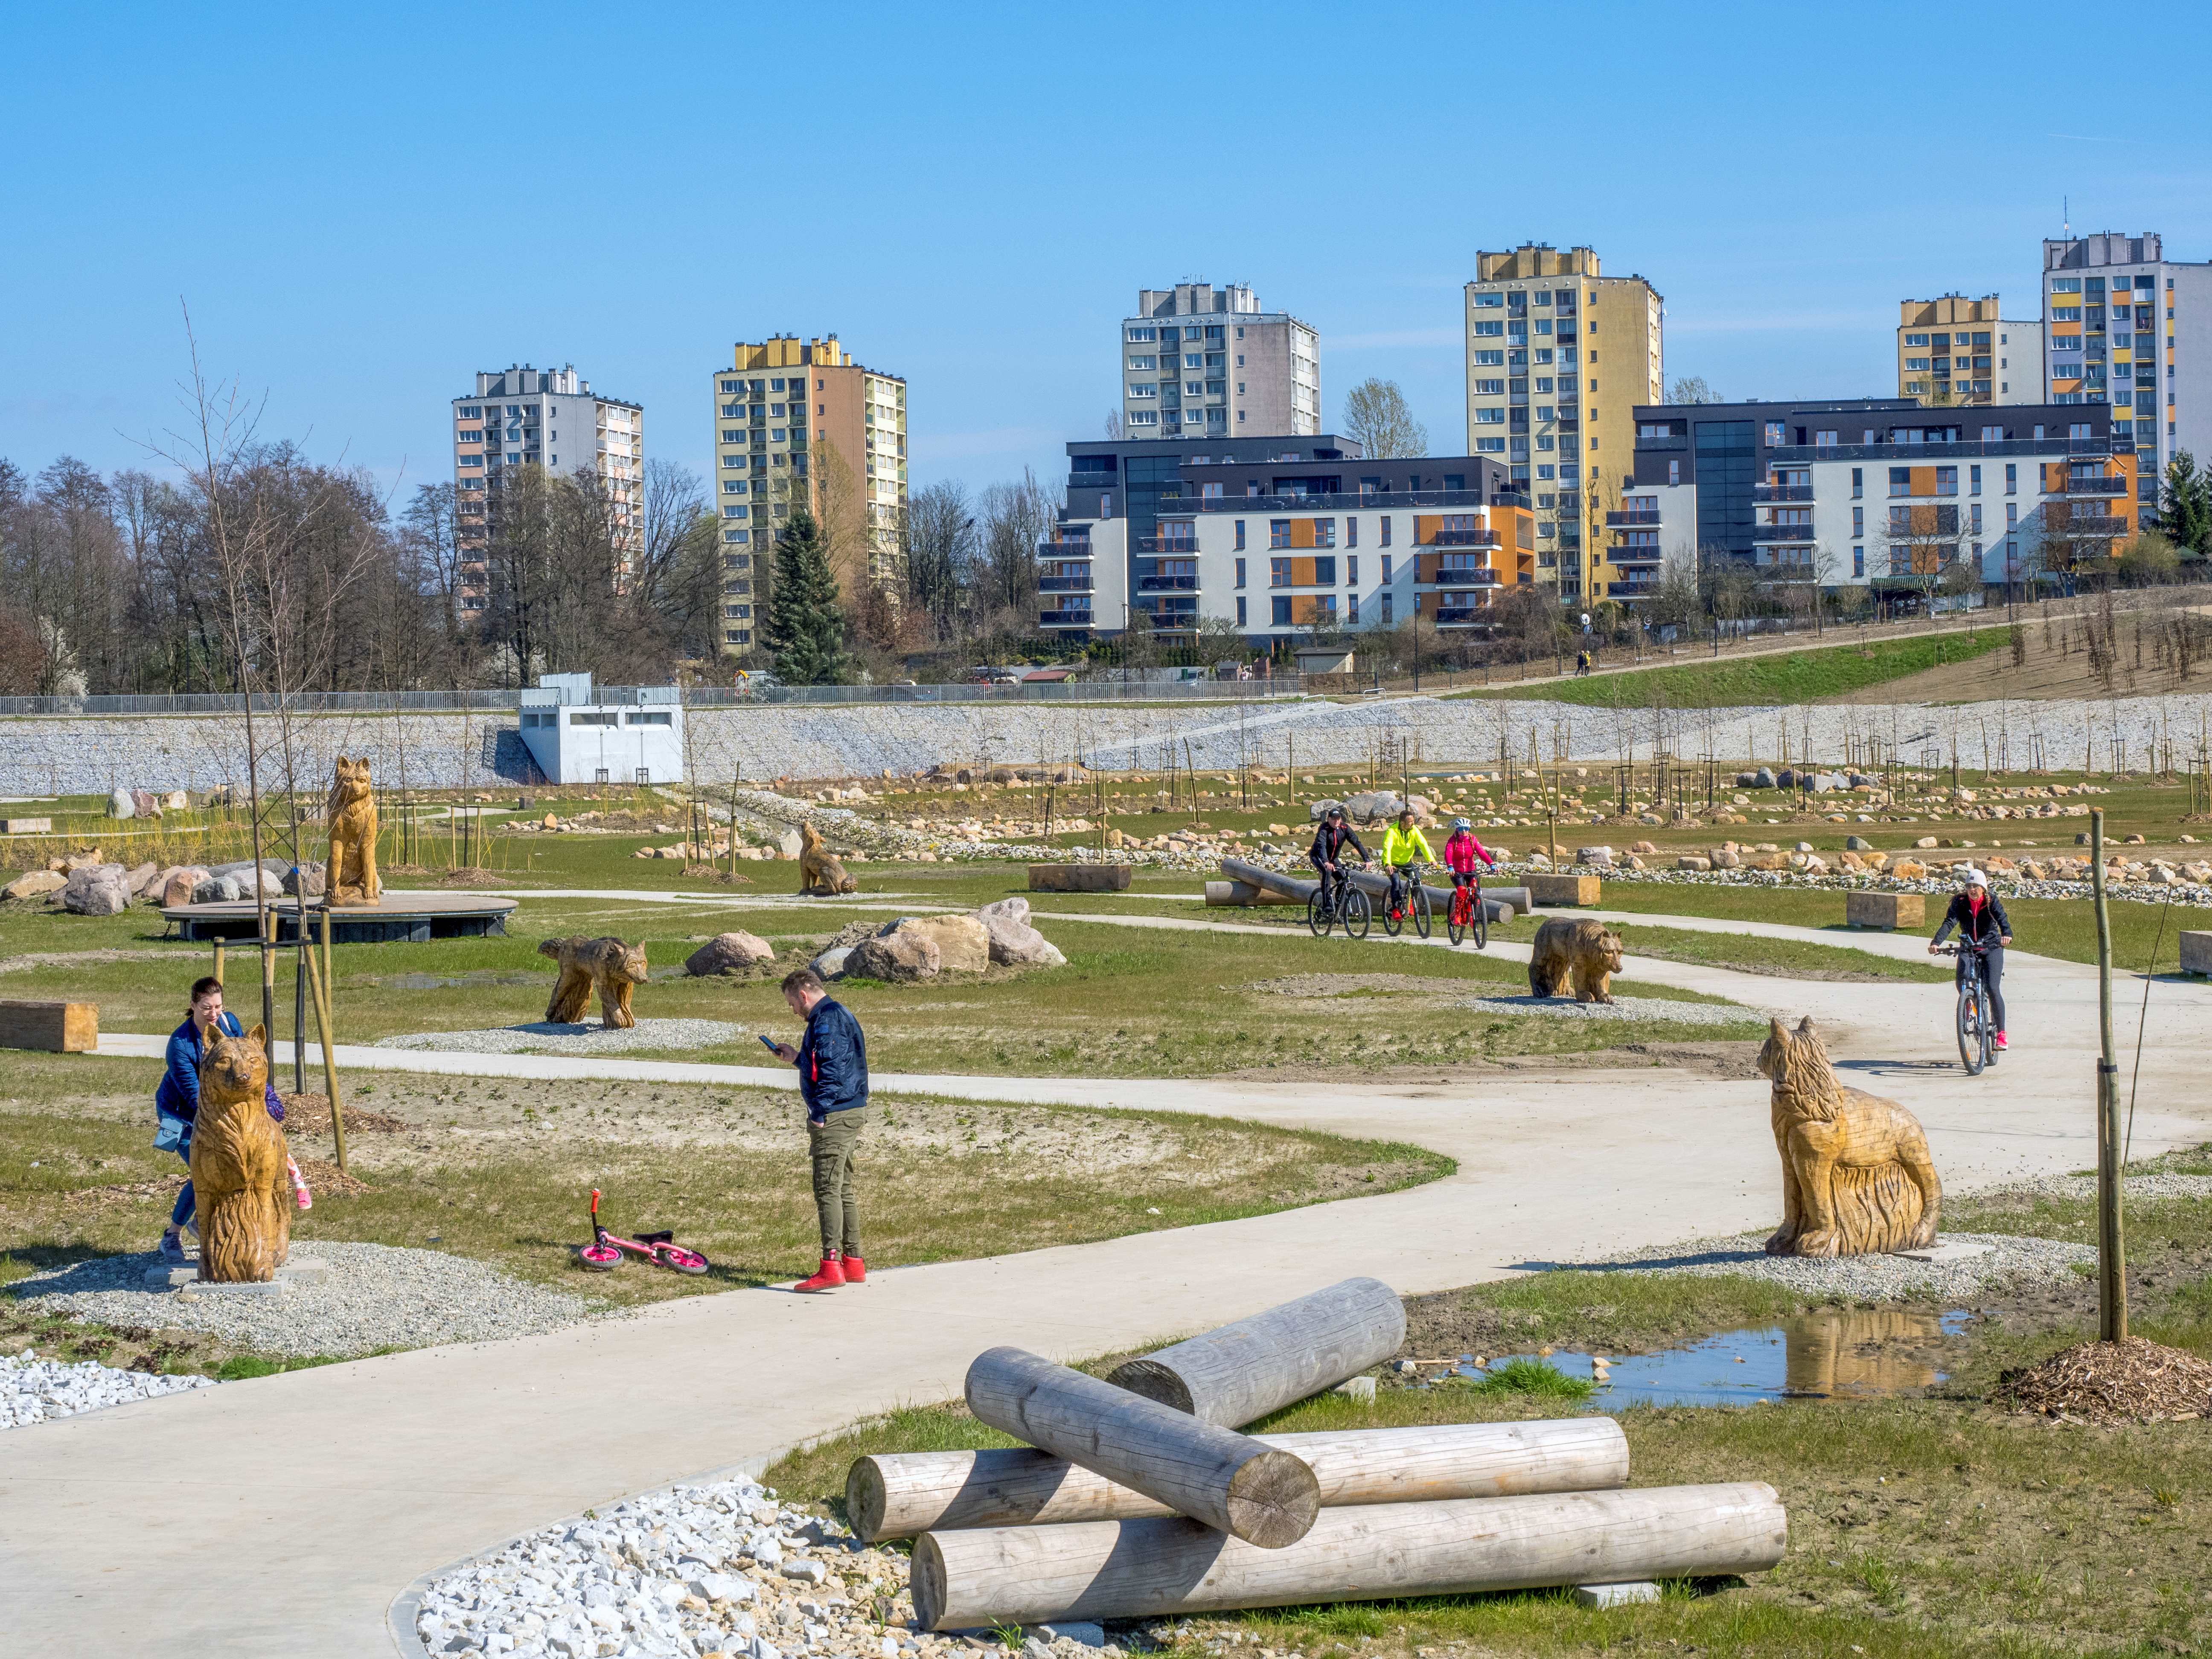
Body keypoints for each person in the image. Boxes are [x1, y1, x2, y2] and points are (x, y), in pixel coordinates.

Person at [154, 976, 287, 1263]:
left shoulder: (229, 1023)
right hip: (183, 1113)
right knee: (201, 1170)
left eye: (218, 1006)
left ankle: (206, 1225)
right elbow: (195, 1095)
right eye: (206, 1008)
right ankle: (173, 1235)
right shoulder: (180, 1045)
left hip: (223, 1107)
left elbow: (243, 1054)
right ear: (192, 1006)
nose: (213, 1014)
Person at [767, 966, 869, 1292]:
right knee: (842, 1188)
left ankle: (831, 1265)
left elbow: (833, 1071)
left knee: (827, 1188)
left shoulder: (826, 1020)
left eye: (791, 1004)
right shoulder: (834, 1015)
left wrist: (820, 1113)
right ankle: (853, 1263)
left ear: (803, 994)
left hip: (836, 1115)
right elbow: (822, 1063)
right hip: (850, 1109)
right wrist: (797, 1058)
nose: (793, 1010)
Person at [1929, 867, 2012, 1051]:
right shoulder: (1960, 902)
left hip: (1991, 947)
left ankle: (2002, 1034)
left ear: (1983, 888)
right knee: (1962, 979)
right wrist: (1937, 942)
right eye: (1969, 886)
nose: (1972, 890)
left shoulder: (1991, 902)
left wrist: (2007, 934)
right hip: (1969, 947)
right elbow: (1949, 922)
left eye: (1976, 886)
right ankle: (1969, 1003)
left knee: (1992, 987)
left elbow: (2002, 920)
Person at [1307, 806, 1369, 919]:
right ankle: (1327, 907)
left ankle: (1337, 908)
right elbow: (1321, 846)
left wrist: (1367, 859)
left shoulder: (1345, 828)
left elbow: (1357, 843)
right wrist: (1326, 862)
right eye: (1334, 819)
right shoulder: (1324, 828)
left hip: (1333, 859)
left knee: (1342, 879)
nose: (1336, 821)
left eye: (1338, 819)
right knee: (1327, 872)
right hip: (1318, 856)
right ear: (1329, 819)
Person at [1380, 807, 1435, 920]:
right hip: (1392, 863)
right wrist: (1388, 864)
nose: (1413, 824)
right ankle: (1395, 909)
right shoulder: (1392, 831)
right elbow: (1387, 848)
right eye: (1411, 822)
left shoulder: (1414, 830)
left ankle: (1409, 903)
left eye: (1413, 821)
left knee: (1417, 879)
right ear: (1403, 823)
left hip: (1407, 862)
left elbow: (1423, 844)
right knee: (1396, 882)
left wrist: (1431, 859)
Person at [1442, 817, 1498, 908]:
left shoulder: (1473, 840)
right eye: (1461, 829)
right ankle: (1458, 916)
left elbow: (1482, 853)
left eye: (1466, 829)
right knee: (1462, 891)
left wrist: (1491, 864)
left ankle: (1476, 915)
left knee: (1477, 892)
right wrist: (1450, 866)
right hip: (1457, 872)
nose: (1464, 831)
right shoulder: (1452, 841)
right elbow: (1448, 853)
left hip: (1471, 871)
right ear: (1457, 830)